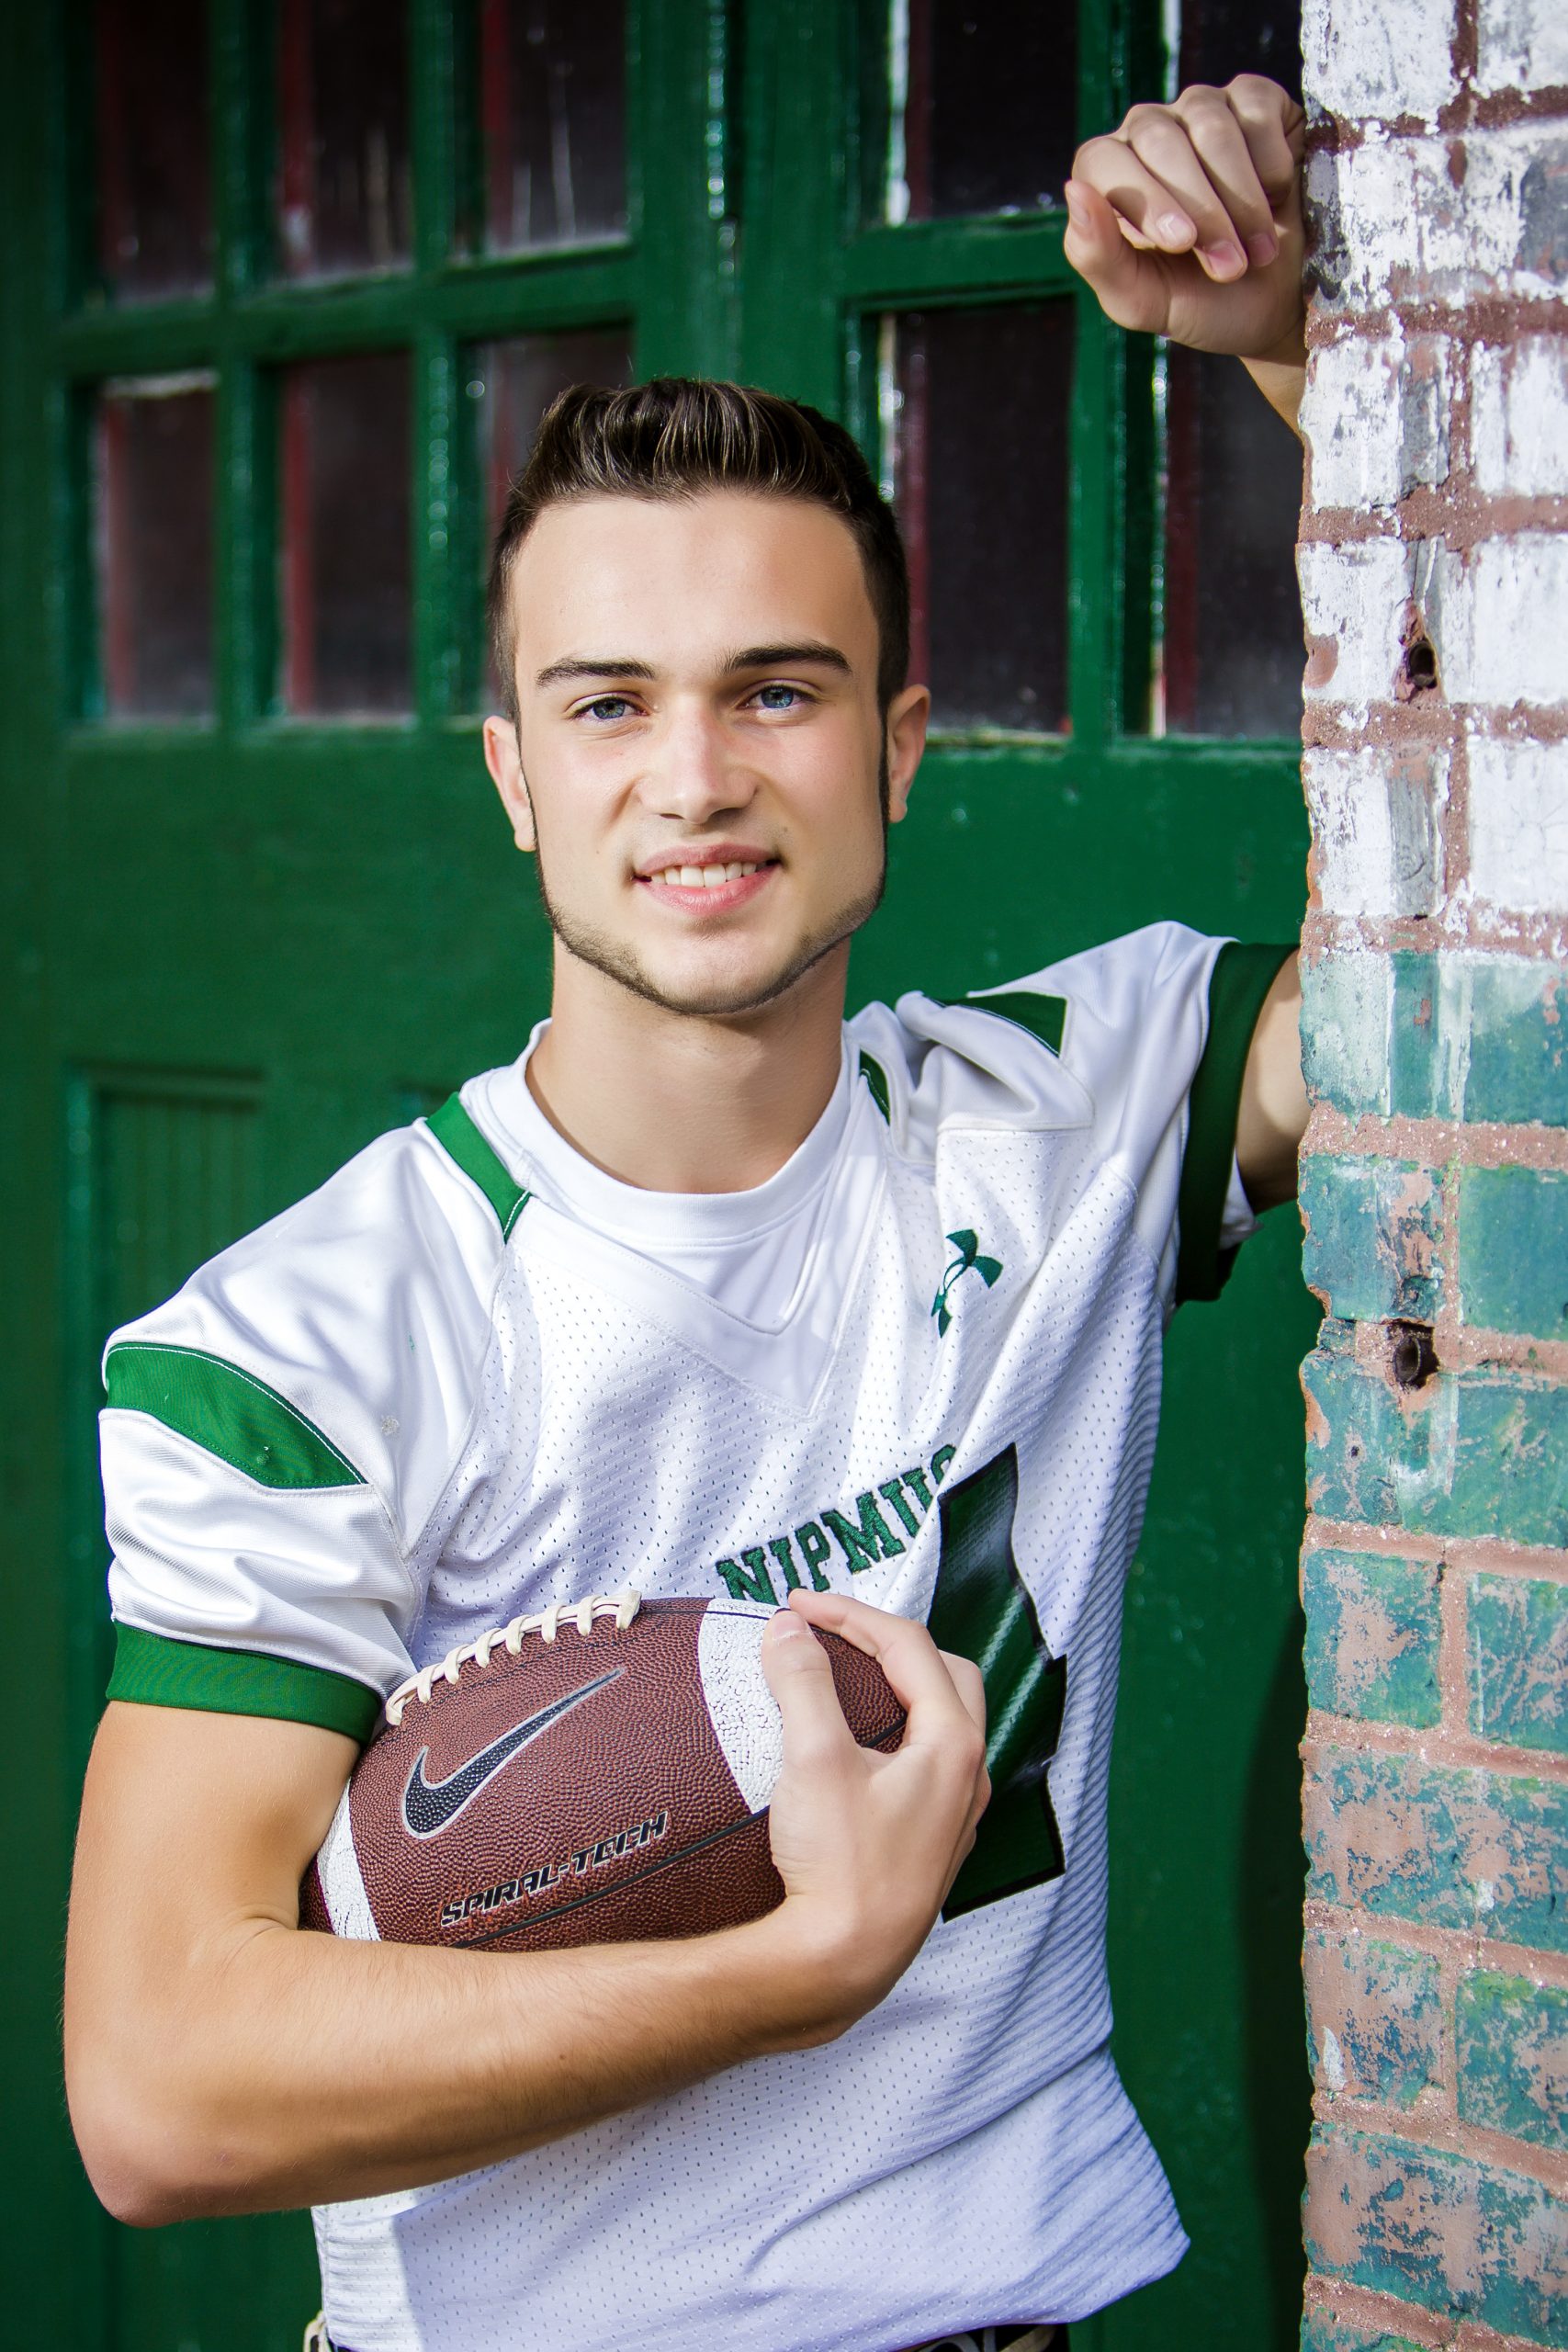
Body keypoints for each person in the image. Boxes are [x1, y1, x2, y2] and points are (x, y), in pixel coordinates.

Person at [65, 74, 1311, 2352]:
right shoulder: (313, 1337)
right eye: (608, 702)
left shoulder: (1078, 1103)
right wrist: (787, 1971)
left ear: (902, 746)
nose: (697, 776)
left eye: (778, 691)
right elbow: (155, 2087)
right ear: (513, 774)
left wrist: (1304, 360)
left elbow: (1500, 942)